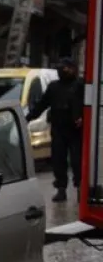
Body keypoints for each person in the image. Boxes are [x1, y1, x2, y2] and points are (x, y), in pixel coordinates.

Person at [26, 57, 85, 202]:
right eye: (60, 68)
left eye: (65, 68)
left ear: (72, 69)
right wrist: (27, 118)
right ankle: (61, 189)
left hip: (75, 131)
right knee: (58, 161)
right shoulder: (53, 87)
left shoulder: (80, 86)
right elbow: (41, 105)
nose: (62, 71)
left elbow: (89, 105)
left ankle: (80, 189)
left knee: (77, 161)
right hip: (58, 129)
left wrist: (83, 118)